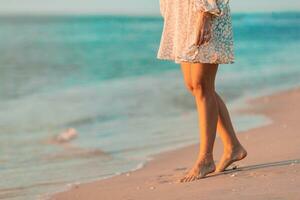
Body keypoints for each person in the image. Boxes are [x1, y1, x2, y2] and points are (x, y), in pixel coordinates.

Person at [156, 0, 247, 182]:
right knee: (193, 85)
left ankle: (206, 158)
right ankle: (233, 146)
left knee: (202, 86)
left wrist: (206, 13)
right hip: (182, 13)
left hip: (202, 10)